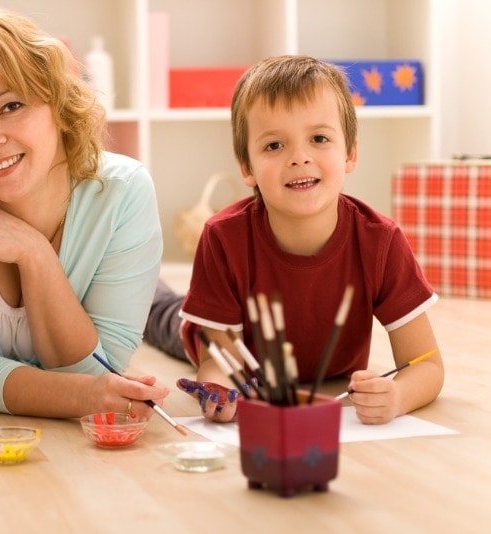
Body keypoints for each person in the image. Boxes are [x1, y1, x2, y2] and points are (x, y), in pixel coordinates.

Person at [0, 9, 170, 419]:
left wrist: (34, 253)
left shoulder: (125, 192)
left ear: (58, 103)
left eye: (11, 106)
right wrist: (82, 395)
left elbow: (102, 368)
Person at [174, 55, 443, 424]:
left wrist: (397, 396)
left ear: (350, 152)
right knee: (165, 318)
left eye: (319, 138)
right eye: (274, 146)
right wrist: (220, 391)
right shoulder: (222, 237)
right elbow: (219, 362)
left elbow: (426, 365)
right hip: (211, 333)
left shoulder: (381, 242)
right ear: (246, 167)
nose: (299, 158)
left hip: (324, 378)